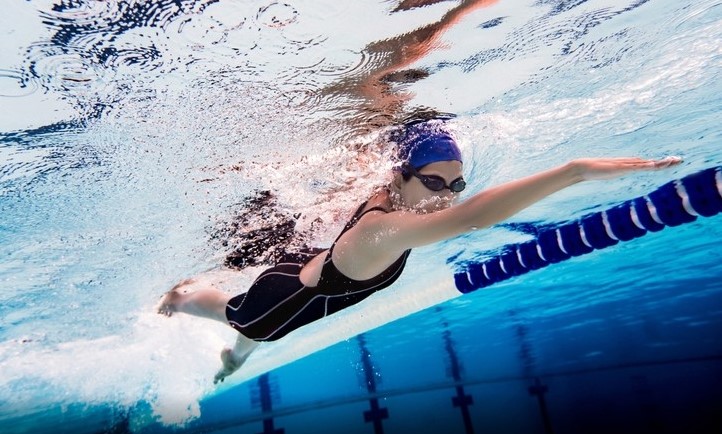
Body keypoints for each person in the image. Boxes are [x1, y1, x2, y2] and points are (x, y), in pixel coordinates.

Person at [156, 119, 681, 383]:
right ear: (401, 176)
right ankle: (178, 300)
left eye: (456, 185)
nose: (445, 198)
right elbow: (471, 216)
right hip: (279, 304)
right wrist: (574, 171)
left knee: (247, 340)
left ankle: (229, 352)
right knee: (240, 324)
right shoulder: (385, 231)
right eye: (434, 183)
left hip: (307, 271)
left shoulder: (392, 197)